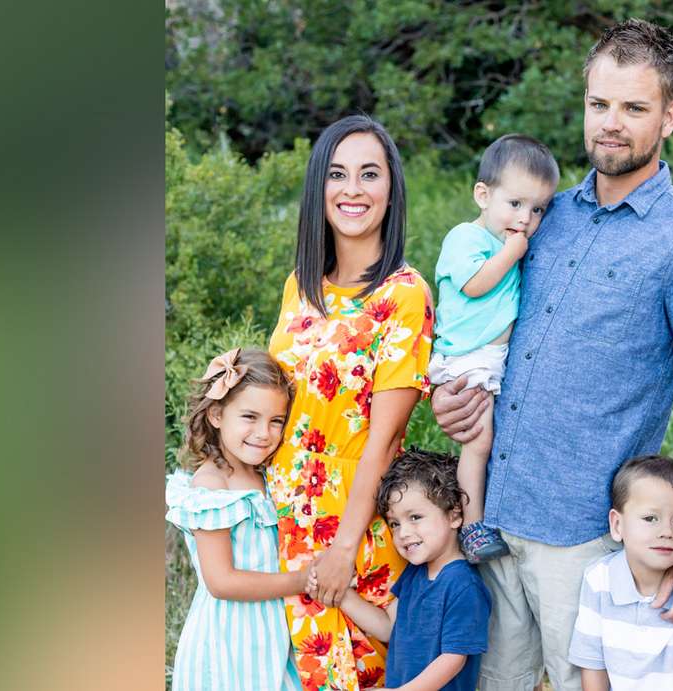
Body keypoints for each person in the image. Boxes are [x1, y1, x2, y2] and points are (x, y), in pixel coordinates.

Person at [431, 19, 673, 691]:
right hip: (497, 520)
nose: (610, 123)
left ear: (671, 115)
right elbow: (487, 322)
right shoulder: (547, 216)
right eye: (599, 104)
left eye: (633, 107)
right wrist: (451, 394)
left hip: (584, 540)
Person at [266, 115, 434, 691]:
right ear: (320, 187)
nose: (353, 190)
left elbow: (385, 440)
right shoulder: (300, 285)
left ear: (392, 188)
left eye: (370, 174)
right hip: (282, 520)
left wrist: (341, 550)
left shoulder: (404, 295)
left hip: (352, 528)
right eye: (337, 174)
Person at [426, 134, 559, 563]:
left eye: (537, 209)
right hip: (467, 357)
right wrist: (512, 252)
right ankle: (471, 526)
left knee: (489, 440)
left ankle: (475, 519)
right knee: (478, 443)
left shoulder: (505, 242)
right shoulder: (466, 238)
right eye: (516, 204)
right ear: (483, 195)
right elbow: (476, 283)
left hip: (489, 357)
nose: (525, 218)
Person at [165, 347, 306, 691]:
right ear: (216, 415)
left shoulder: (270, 476)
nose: (264, 433)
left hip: (270, 634)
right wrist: (302, 581)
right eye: (249, 417)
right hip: (228, 640)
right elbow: (222, 581)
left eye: (276, 421)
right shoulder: (212, 485)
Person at [326, 448, 492, 691]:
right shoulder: (415, 574)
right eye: (395, 523)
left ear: (454, 515)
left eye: (415, 517)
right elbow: (389, 628)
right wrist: (341, 596)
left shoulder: (463, 584)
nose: (402, 533)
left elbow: (454, 659)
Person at [568, 455, 673, 691]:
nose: (666, 531)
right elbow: (592, 663)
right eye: (650, 518)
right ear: (617, 525)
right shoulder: (599, 580)